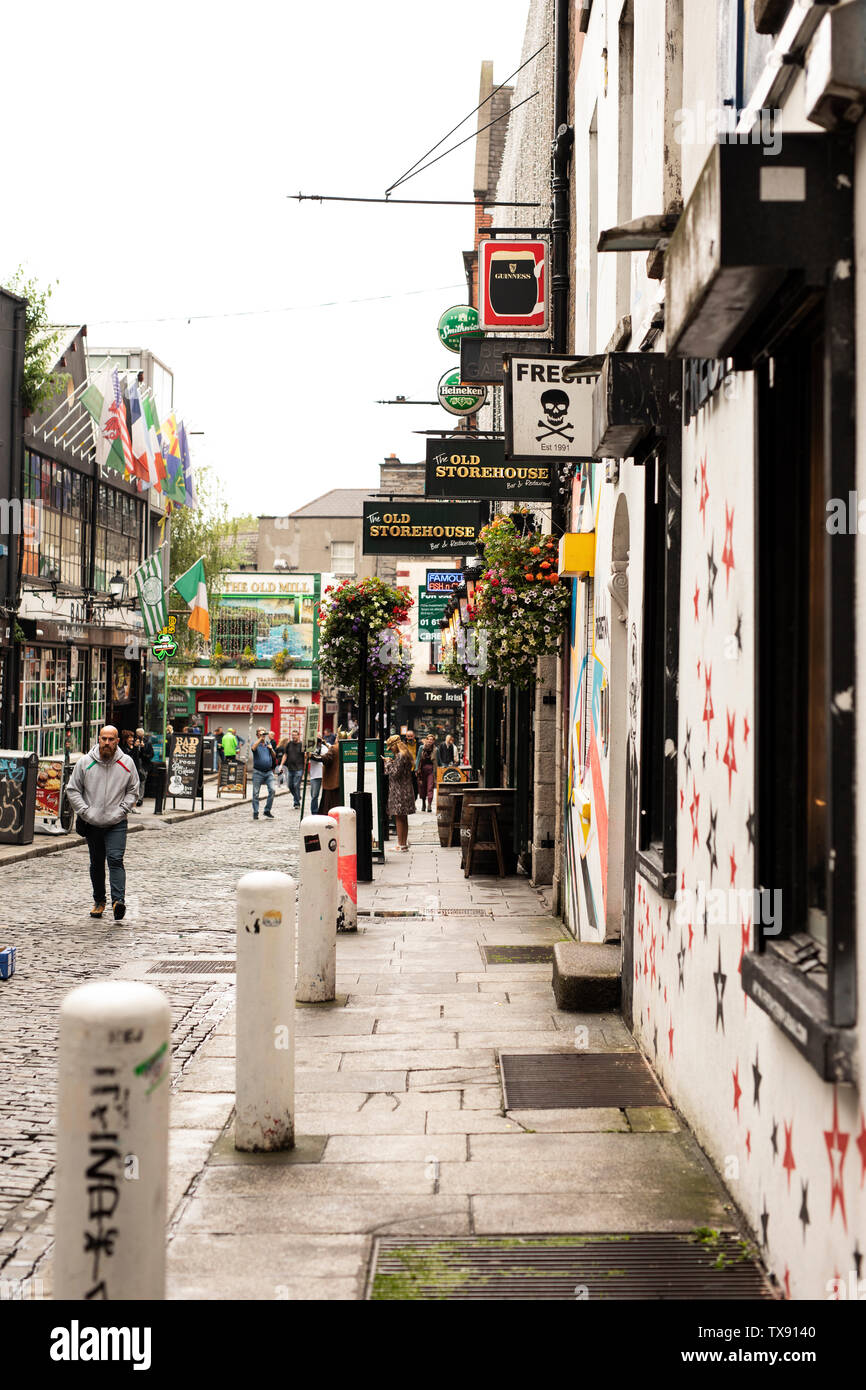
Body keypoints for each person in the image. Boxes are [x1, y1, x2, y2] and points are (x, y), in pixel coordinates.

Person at [66, 725, 140, 921]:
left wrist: (123, 809)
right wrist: (84, 811)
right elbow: (72, 789)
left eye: (111, 739)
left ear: (117, 741)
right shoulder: (85, 762)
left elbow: (134, 789)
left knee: (115, 859)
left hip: (117, 821)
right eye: (103, 738)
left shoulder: (127, 763)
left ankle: (118, 902)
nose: (106, 743)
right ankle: (99, 901)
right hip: (93, 821)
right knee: (97, 863)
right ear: (98, 739)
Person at [383, 735, 414, 851]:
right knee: (403, 817)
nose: (390, 750)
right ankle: (403, 844)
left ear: (395, 746)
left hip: (399, 791)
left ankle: (401, 845)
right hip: (405, 789)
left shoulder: (400, 756)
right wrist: (393, 762)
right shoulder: (404, 755)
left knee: (399, 817)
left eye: (391, 748)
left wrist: (388, 763)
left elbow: (394, 773)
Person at [251, 728, 276, 820]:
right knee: (256, 793)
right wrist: (260, 740)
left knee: (272, 790)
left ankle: (267, 810)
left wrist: (271, 749)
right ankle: (255, 812)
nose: (263, 736)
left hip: (268, 772)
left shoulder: (268, 744)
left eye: (264, 734)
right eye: (261, 734)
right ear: (257, 735)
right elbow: (253, 748)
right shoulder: (255, 743)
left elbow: (274, 756)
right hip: (258, 772)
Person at [318, 734, 341, 816]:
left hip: (333, 781)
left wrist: (313, 756)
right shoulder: (346, 747)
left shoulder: (334, 748)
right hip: (342, 782)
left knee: (329, 806)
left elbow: (327, 758)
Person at [280, 732, 304, 808]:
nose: (293, 737)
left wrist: (305, 767)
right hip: (290, 768)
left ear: (298, 736)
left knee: (296, 785)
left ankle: (296, 803)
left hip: (299, 768)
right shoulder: (289, 744)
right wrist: (281, 765)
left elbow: (305, 756)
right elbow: (285, 755)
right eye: (292, 735)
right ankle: (297, 797)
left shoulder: (301, 745)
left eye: (295, 735)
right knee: (290, 786)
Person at [415, 733, 438, 812]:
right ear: (426, 740)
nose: (430, 741)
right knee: (422, 788)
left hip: (431, 770)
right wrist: (416, 769)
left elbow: (438, 761)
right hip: (422, 770)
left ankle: (429, 805)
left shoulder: (436, 749)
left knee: (430, 787)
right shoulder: (421, 748)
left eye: (432, 740)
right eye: (429, 739)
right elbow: (418, 758)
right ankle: (423, 803)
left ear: (434, 741)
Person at [120, 731, 142, 813]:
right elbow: (129, 756)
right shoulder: (123, 748)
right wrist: (135, 748)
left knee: (135, 786)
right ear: (125, 739)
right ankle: (127, 805)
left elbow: (138, 757)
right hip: (126, 769)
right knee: (126, 787)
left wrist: (140, 747)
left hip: (135, 768)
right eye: (129, 738)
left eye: (132, 737)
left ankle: (134, 806)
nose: (132, 739)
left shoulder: (134, 747)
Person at [134, 727, 154, 805]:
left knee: (142, 780)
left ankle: (140, 799)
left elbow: (150, 755)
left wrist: (143, 748)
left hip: (144, 764)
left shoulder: (147, 742)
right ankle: (135, 798)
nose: (139, 737)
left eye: (141, 736)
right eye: (138, 735)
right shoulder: (134, 741)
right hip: (135, 763)